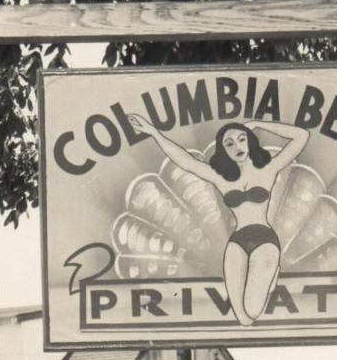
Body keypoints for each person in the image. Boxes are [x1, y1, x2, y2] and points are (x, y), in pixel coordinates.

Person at [126, 115, 309, 326]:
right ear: (224, 151)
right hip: (237, 242)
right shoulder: (221, 178)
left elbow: (301, 136)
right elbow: (185, 160)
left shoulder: (268, 169)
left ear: (250, 140)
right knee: (243, 319)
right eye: (229, 144)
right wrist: (154, 133)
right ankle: (269, 273)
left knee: (253, 312)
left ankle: (271, 270)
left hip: (265, 240)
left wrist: (259, 125)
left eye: (242, 139)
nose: (237, 146)